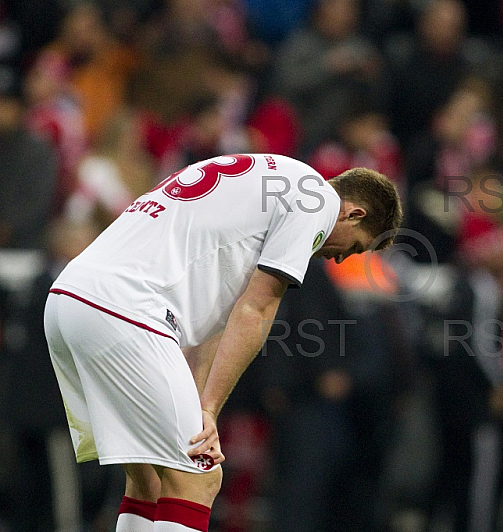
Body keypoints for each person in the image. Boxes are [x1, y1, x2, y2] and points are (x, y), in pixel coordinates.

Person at [43, 154, 402, 532]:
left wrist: (201, 404)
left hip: (70, 299)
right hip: (127, 311)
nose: (343, 256)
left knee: (150, 478)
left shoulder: (266, 178)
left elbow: (214, 321)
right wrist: (210, 411)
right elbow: (256, 309)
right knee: (200, 477)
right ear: (355, 213)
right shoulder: (318, 202)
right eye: (357, 247)